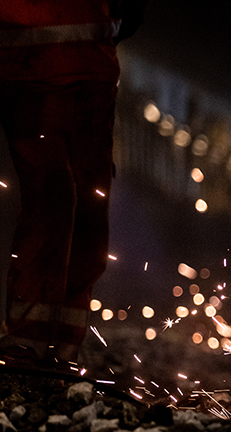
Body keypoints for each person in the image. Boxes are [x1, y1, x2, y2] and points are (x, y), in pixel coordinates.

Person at [0, 0, 146, 369]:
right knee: (59, 199)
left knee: (79, 201)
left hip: (56, 68)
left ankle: (55, 341)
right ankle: (31, 341)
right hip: (40, 70)